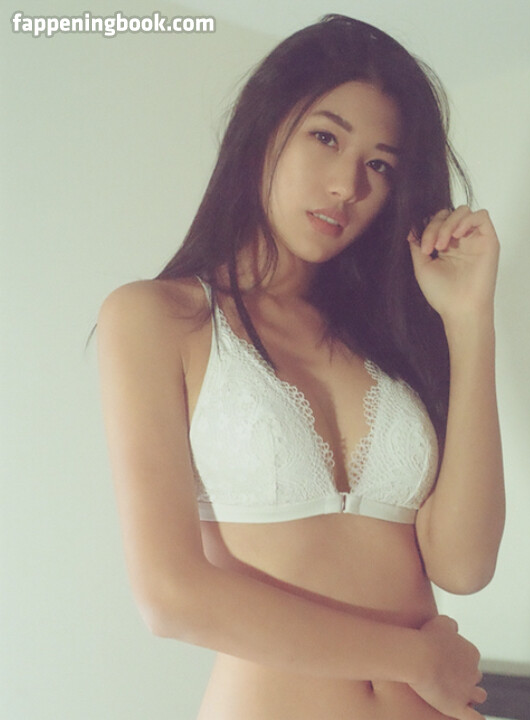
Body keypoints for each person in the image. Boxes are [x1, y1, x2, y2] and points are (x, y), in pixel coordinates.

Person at [97, 14, 504, 720]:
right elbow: (171, 596)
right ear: (265, 130)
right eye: (326, 137)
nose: (347, 185)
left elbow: (464, 567)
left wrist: (470, 325)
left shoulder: (389, 341)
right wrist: (416, 659)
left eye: (380, 164)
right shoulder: (158, 318)